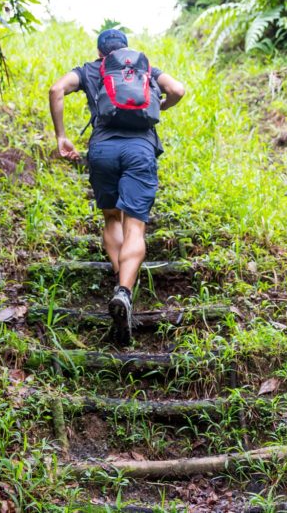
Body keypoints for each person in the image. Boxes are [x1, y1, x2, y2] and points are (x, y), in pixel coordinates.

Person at [48, 28, 185, 345]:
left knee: (112, 217)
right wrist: (158, 107)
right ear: (126, 51)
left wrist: (60, 136)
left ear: (100, 53)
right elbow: (178, 90)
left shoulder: (90, 69)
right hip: (140, 150)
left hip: (103, 151)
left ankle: (120, 284)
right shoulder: (145, 69)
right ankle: (125, 288)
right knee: (134, 225)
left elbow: (56, 90)